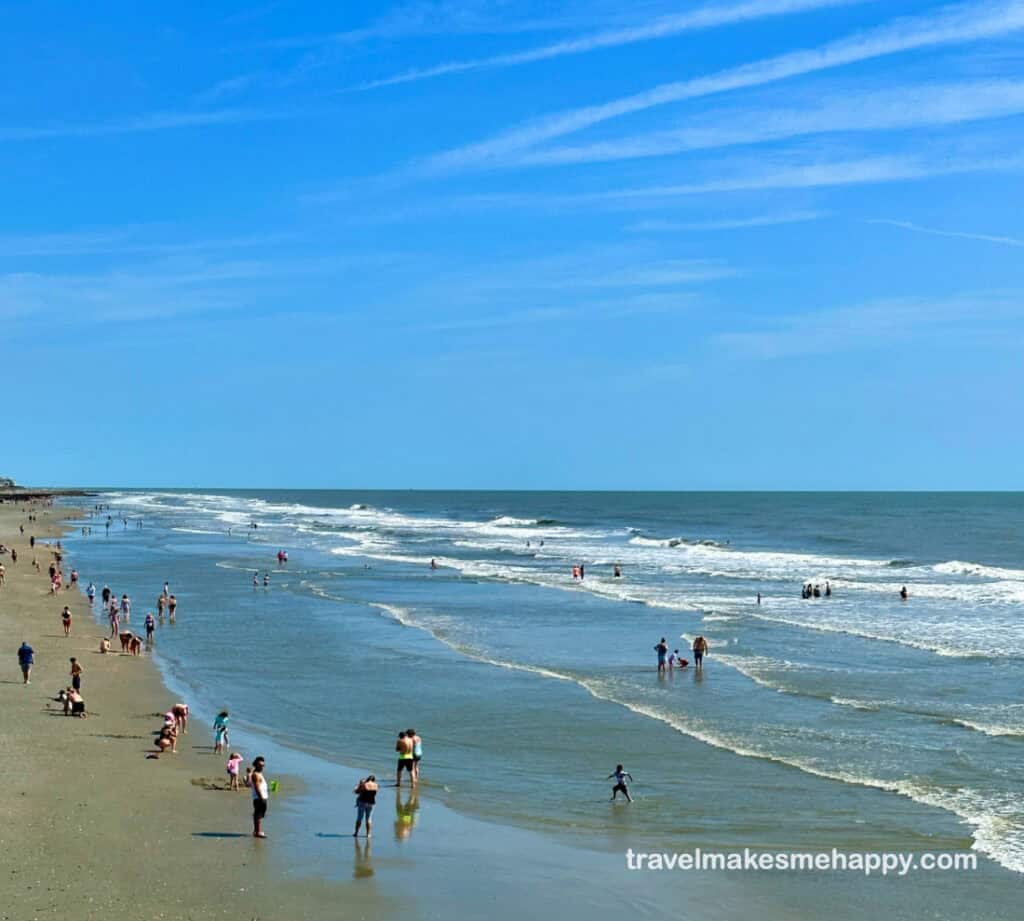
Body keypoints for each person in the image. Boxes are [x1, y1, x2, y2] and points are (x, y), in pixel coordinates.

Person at [251, 757, 269, 838]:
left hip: (261, 797)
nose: (262, 766)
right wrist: (261, 798)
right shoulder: (256, 774)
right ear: (256, 765)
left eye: (263, 765)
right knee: (258, 815)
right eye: (260, 765)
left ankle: (256, 831)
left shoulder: (259, 773)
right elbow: (257, 787)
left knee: (259, 815)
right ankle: (257, 832)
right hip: (259, 798)